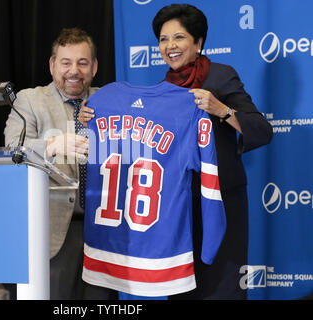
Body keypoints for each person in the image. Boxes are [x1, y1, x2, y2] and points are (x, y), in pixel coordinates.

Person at [79, 4, 273, 300]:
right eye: (163, 39)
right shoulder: (164, 90)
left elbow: (262, 130)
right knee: (182, 288)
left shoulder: (221, 77)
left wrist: (221, 110)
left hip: (221, 202)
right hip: (176, 208)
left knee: (222, 286)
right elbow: (141, 146)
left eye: (178, 38)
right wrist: (91, 123)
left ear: (198, 43)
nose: (169, 46)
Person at [4, 28, 116, 300]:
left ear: (95, 67)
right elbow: (11, 153)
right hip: (53, 231)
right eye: (66, 63)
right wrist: (52, 146)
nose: (73, 71)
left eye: (82, 62)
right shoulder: (29, 100)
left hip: (104, 232)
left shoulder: (110, 101)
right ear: (53, 65)